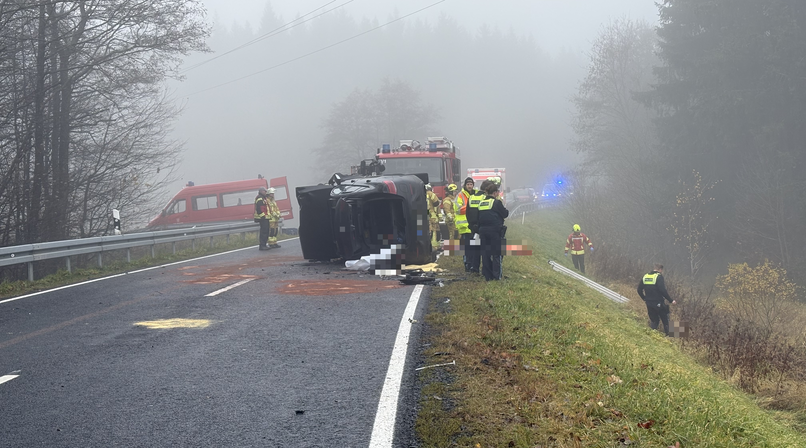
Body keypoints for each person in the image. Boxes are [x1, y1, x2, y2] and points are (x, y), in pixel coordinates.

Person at [477, 180, 509, 281]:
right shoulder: (496, 202)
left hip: (483, 231)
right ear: (494, 193)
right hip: (495, 231)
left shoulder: (481, 203)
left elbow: (478, 217)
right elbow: (505, 214)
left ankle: (488, 276)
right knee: (496, 254)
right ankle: (497, 277)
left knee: (485, 254)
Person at [637, 263, 677, 335]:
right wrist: (671, 300)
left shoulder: (646, 276)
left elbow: (639, 290)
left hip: (649, 303)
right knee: (666, 320)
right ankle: (671, 336)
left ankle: (651, 335)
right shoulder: (659, 277)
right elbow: (662, 290)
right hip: (658, 302)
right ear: (660, 270)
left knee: (654, 320)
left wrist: (645, 298)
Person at [454, 177, 478, 272]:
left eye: (471, 184)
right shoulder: (460, 195)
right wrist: (469, 207)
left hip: (475, 226)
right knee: (467, 248)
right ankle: (467, 265)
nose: (469, 186)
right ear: (465, 185)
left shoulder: (477, 193)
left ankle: (474, 266)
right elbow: (458, 209)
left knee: (475, 247)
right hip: (465, 227)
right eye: (468, 184)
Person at [425, 184, 441, 250]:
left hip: (422, 215)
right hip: (432, 215)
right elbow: (436, 203)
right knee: (434, 231)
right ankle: (434, 247)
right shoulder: (430, 194)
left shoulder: (419, 194)